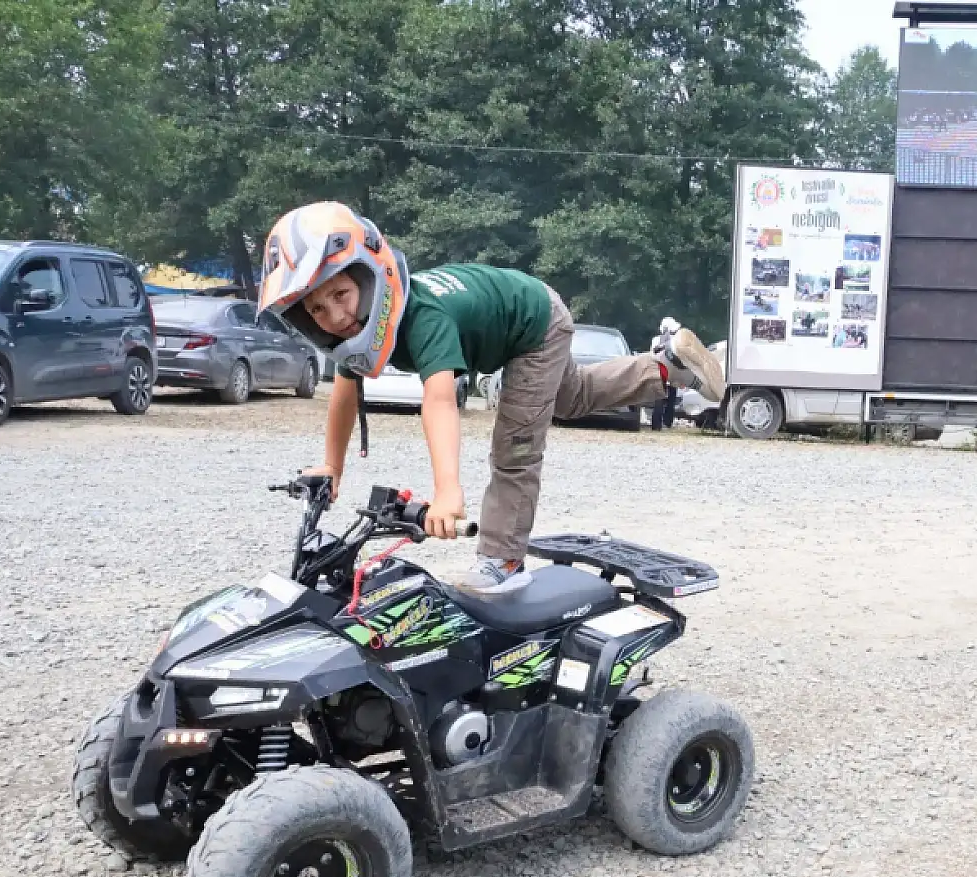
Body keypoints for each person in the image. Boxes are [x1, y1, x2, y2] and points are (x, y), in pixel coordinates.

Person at [259, 202, 725, 588]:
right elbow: (344, 390)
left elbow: (439, 401)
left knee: (515, 447)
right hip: (514, 314)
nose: (335, 315)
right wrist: (332, 466)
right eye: (317, 308)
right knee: (570, 398)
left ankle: (501, 559)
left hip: (534, 322)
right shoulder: (364, 327)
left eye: (341, 294)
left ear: (369, 276)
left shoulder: (424, 319)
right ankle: (667, 367)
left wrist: (447, 492)